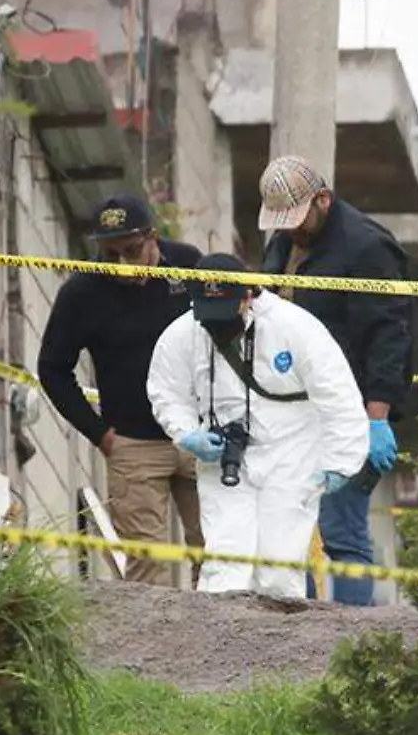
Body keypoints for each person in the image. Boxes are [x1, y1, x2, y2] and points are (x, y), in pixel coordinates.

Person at [145, 252, 368, 599]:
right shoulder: (183, 334)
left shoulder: (294, 327)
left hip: (292, 450)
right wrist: (188, 434)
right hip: (224, 455)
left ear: (247, 297)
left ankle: (279, 649)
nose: (217, 324)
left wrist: (342, 460)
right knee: (225, 565)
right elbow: (167, 392)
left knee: (279, 567)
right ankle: (220, 646)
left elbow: (337, 394)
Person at [258, 155, 413, 606]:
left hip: (347, 410)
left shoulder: (367, 248)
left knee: (341, 531)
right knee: (290, 531)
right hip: (291, 410)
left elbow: (390, 334)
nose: (289, 229)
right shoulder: (283, 244)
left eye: (297, 218)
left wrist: (376, 416)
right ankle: (297, 636)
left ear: (322, 200)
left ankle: (348, 643)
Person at [37, 193, 206, 587]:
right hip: (133, 445)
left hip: (198, 436)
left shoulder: (188, 265)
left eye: (131, 250)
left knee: (218, 556)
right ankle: (160, 649)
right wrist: (98, 433)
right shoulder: (81, 292)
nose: (122, 264)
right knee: (148, 573)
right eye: (110, 254)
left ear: (153, 238)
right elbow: (52, 368)